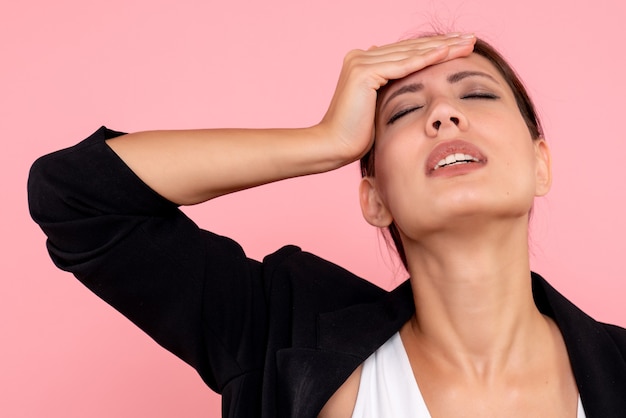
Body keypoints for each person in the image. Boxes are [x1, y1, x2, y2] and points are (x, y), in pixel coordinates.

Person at [28, 33, 626, 417]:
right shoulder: (281, 332)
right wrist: (321, 142)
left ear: (541, 163)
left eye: (478, 95)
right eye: (407, 110)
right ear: (374, 198)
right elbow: (76, 197)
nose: (444, 114)